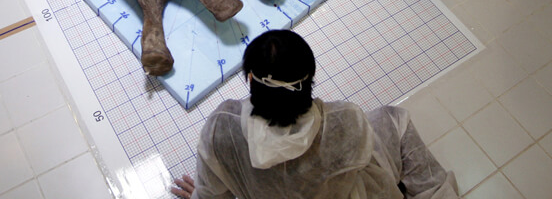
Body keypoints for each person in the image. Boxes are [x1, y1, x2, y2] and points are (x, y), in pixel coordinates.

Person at [171, 30, 460, 199]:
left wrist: (203, 193)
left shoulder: (222, 128)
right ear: (310, 79)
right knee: (392, 117)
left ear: (249, 79)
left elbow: (212, 196)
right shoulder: (346, 120)